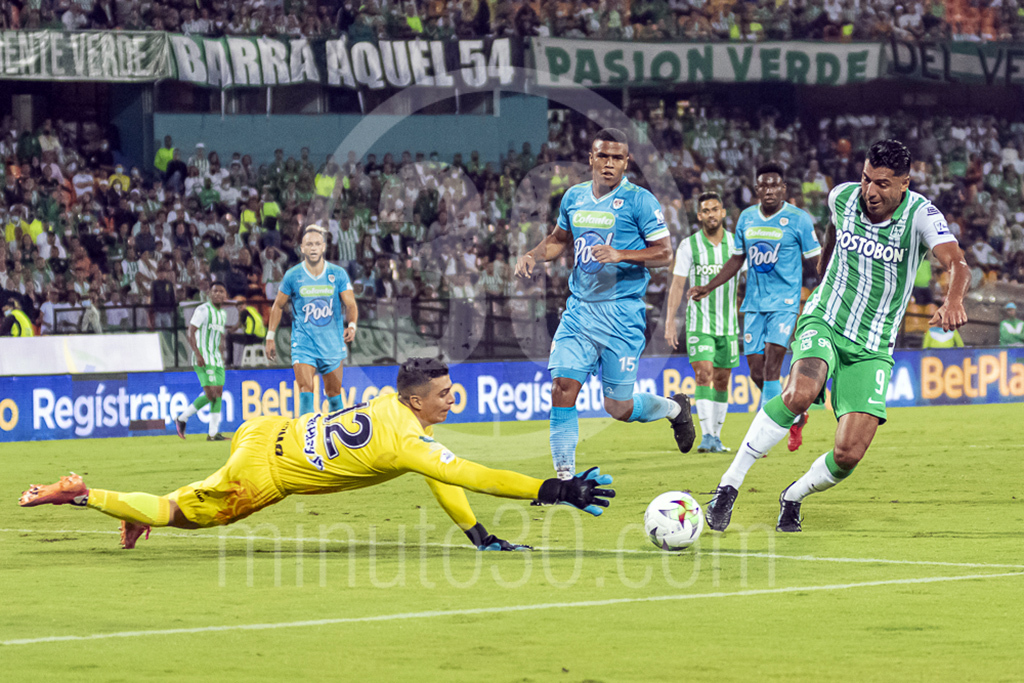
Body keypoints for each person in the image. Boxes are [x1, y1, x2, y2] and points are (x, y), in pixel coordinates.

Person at [20, 358, 616, 551]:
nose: (452, 398)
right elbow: (473, 474)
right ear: (416, 399)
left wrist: (478, 536)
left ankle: (130, 512)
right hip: (266, 472)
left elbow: (440, 474)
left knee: (183, 499)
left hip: (265, 429)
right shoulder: (407, 440)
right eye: (443, 394)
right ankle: (82, 493)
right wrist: (555, 489)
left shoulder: (390, 409)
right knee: (179, 515)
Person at [702, 139, 969, 533]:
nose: (870, 191)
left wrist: (953, 301)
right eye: (866, 179)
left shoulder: (921, 215)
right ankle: (728, 486)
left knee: (848, 455)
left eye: (882, 184)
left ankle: (793, 495)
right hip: (825, 318)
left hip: (872, 344)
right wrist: (825, 265)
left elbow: (957, 263)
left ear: (904, 184)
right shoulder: (842, 196)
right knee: (799, 394)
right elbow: (833, 229)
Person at [514, 128, 694, 480]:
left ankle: (675, 408)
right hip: (580, 311)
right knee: (562, 388)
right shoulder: (574, 197)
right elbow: (559, 239)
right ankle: (565, 480)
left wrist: (620, 254)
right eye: (603, 156)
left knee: (618, 407)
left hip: (621, 316)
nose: (609, 163)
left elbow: (664, 253)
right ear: (591, 159)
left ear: (626, 162)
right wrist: (534, 255)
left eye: (617, 158)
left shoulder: (640, 201)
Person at [689, 161, 821, 452]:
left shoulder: (798, 219)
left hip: (785, 303)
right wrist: (709, 286)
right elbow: (738, 259)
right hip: (754, 304)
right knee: (757, 373)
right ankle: (794, 414)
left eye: (775, 185)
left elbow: (817, 260)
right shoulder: (747, 218)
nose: (769, 190)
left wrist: (828, 291)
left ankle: (761, 438)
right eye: (764, 185)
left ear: (783, 188)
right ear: (756, 189)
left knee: (772, 368)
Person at [664, 191, 739, 454]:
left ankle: (716, 437)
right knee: (703, 374)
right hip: (700, 323)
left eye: (714, 209)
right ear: (699, 216)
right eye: (705, 211)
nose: (710, 215)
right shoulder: (689, 245)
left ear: (723, 213)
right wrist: (670, 320)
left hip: (729, 325)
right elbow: (677, 284)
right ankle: (707, 436)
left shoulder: (736, 244)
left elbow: (750, 278)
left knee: (722, 380)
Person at [266, 225, 358, 415]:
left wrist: (352, 325)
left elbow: (350, 304)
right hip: (303, 344)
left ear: (323, 247)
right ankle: (306, 434)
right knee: (306, 391)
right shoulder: (293, 275)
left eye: (317, 244)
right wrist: (270, 336)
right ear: (302, 248)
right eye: (309, 244)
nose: (313, 248)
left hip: (332, 344)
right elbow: (278, 305)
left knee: (334, 396)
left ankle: (336, 433)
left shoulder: (337, 273)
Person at [173, 282, 229, 441]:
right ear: (209, 294)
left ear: (225, 295)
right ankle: (182, 418)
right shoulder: (203, 310)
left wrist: (222, 353)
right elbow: (191, 332)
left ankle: (213, 434)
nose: (218, 294)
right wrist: (197, 354)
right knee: (211, 393)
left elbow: (219, 336)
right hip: (204, 357)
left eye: (221, 291)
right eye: (215, 291)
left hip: (216, 359)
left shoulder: (222, 314)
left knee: (218, 394)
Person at [227, 295, 267, 366]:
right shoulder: (252, 309)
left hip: (251, 337)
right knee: (239, 336)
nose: (239, 307)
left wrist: (230, 331)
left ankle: (230, 362)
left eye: (240, 305)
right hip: (261, 337)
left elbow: (238, 325)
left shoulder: (244, 312)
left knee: (229, 337)